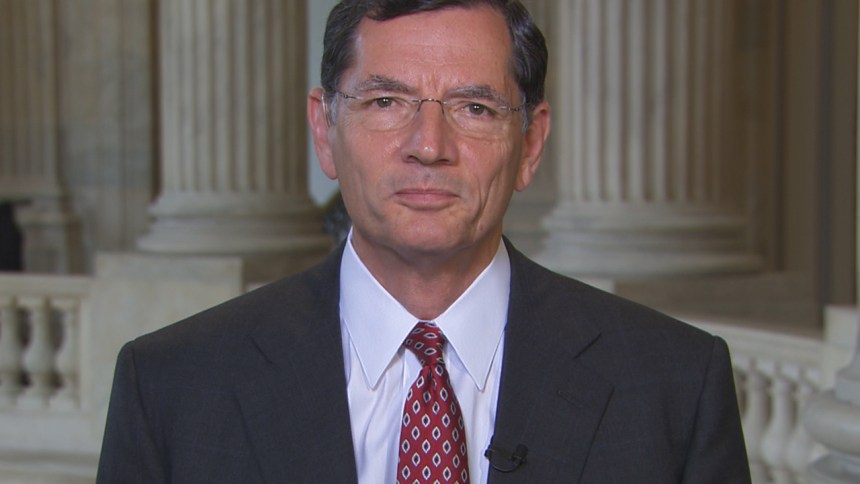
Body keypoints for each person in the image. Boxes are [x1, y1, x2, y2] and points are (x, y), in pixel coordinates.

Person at [96, 0, 751, 482]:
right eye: (386, 102)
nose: (429, 147)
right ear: (324, 130)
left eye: (475, 108)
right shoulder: (173, 388)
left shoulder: (675, 387)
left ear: (529, 144)